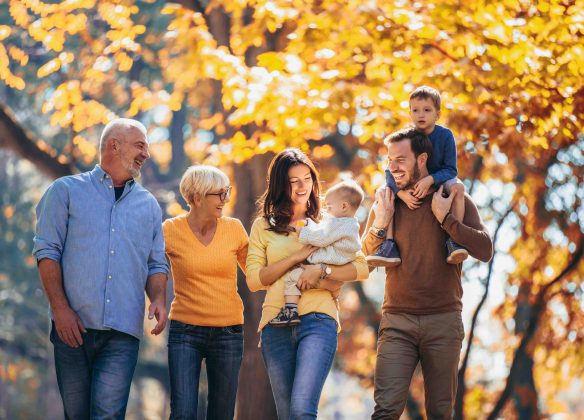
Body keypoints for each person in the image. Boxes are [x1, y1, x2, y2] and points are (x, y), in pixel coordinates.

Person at [32, 118, 168, 419]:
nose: (146, 153)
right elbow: (46, 251)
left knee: (107, 415)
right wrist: (60, 309)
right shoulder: (65, 191)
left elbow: (156, 263)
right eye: (140, 145)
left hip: (122, 333)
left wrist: (158, 298)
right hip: (72, 328)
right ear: (114, 145)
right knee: (77, 415)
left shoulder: (148, 206)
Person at [362, 127, 493, 419]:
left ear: (422, 158)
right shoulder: (387, 201)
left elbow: (485, 250)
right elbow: (364, 261)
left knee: (440, 412)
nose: (392, 167)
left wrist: (446, 220)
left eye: (400, 160)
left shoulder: (452, 197)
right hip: (397, 321)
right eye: (389, 159)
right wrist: (381, 223)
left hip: (443, 321)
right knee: (385, 411)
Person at [246, 148, 369, 419]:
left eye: (307, 178)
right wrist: (298, 257)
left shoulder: (330, 221)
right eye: (294, 181)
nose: (303, 186)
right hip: (275, 325)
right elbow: (255, 280)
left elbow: (361, 267)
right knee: (288, 414)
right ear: (281, 185)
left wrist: (322, 271)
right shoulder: (263, 226)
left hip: (318, 321)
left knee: (302, 410)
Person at [163, 165, 248, 420]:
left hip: (229, 332)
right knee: (183, 413)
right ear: (197, 197)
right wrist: (154, 300)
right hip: (185, 332)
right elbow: (149, 266)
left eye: (227, 192)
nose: (226, 199)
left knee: (222, 414)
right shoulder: (170, 230)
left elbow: (257, 275)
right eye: (219, 194)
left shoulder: (234, 229)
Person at [367, 86, 469, 267]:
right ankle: (388, 245)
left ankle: (454, 240)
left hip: (439, 181)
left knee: (458, 187)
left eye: (427, 110)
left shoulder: (445, 136)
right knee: (383, 193)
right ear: (410, 113)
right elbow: (390, 169)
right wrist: (399, 192)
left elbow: (451, 170)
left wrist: (430, 179)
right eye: (415, 110)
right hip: (408, 183)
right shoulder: (408, 137)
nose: (421, 115)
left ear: (437, 114)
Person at [270, 180, 364, 327]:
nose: (326, 210)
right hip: (338, 262)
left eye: (329, 206)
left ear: (344, 206)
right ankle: (333, 290)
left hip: (332, 259)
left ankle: (290, 311)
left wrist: (303, 231)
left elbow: (321, 238)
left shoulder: (337, 223)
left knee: (291, 278)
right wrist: (310, 224)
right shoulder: (350, 224)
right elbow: (323, 230)